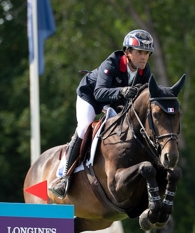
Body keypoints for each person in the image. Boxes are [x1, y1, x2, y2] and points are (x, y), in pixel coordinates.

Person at [49, 29, 155, 199]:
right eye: (140, 52)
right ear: (128, 52)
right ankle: (64, 177)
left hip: (115, 102)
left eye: (147, 53)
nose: (144, 57)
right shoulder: (112, 63)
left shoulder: (144, 71)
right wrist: (122, 91)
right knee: (84, 127)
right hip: (91, 96)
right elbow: (99, 93)